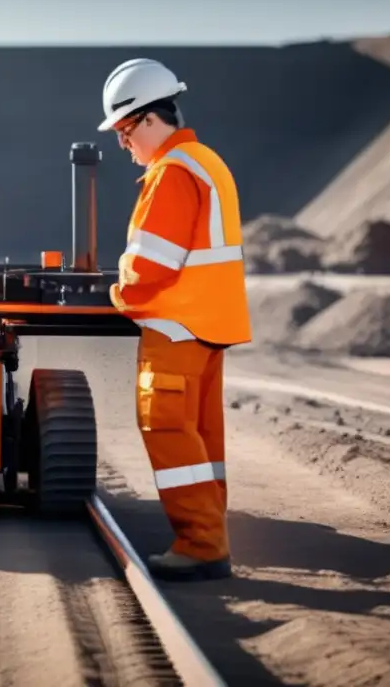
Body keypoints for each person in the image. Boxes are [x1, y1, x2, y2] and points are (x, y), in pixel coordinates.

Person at [97, 58, 251, 581]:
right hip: (208, 325)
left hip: (176, 325)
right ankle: (212, 533)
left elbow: (149, 264)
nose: (123, 145)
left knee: (166, 427)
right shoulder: (206, 161)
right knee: (202, 438)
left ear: (146, 120)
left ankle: (202, 544)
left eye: (123, 131)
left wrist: (118, 290)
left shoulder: (171, 172)